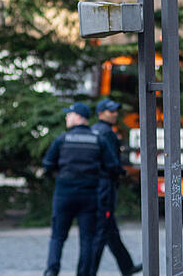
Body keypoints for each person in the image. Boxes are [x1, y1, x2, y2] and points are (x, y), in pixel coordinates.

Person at [43, 102, 120, 276]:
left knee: (57, 236)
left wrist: (59, 174)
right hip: (89, 194)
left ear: (78, 117)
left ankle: (52, 270)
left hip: (64, 193)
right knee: (87, 239)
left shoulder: (62, 139)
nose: (66, 117)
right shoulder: (98, 139)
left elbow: (47, 164)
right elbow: (113, 166)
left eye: (69, 114)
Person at [91, 99, 142, 276]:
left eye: (115, 111)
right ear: (101, 113)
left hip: (99, 186)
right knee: (102, 231)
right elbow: (111, 162)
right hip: (106, 187)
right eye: (110, 111)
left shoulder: (94, 130)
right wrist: (122, 172)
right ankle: (90, 271)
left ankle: (127, 266)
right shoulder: (107, 133)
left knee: (110, 231)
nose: (115, 114)